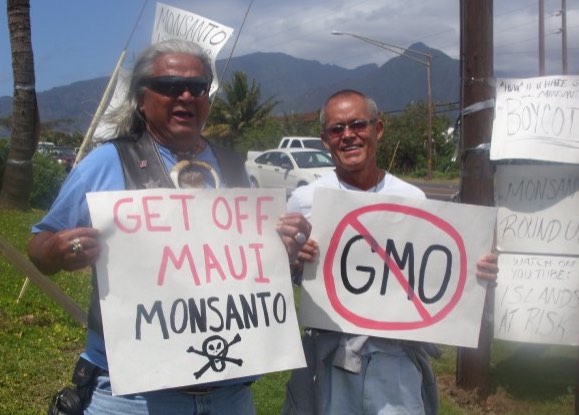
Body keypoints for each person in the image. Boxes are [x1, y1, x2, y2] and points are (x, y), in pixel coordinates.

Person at [28, 39, 311, 415]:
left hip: (229, 395)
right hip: (131, 395)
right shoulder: (108, 162)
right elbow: (39, 244)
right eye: (169, 86)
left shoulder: (231, 165)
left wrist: (282, 245)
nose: (185, 96)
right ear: (142, 99)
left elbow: (247, 258)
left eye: (197, 87)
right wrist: (60, 250)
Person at [282, 89, 499, 415]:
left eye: (357, 124)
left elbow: (432, 274)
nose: (348, 136)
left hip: (396, 359)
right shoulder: (306, 199)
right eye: (336, 129)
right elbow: (290, 278)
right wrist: (293, 261)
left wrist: (475, 272)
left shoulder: (411, 196)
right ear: (325, 140)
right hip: (329, 355)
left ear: (378, 129)